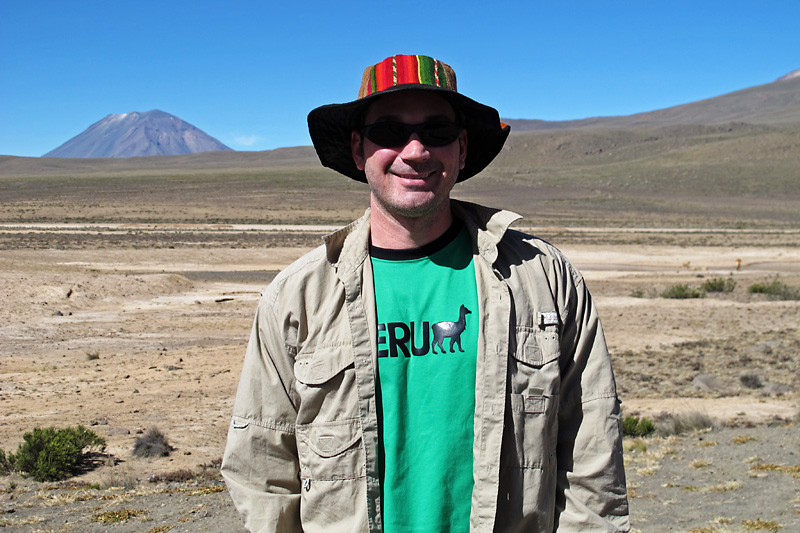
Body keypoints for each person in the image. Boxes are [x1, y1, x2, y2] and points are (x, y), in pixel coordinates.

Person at [221, 54, 630, 532]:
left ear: (460, 147)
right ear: (358, 149)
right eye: (389, 132)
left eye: (435, 132)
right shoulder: (297, 298)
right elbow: (263, 470)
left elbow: (592, 450)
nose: (415, 151)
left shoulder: (543, 279)